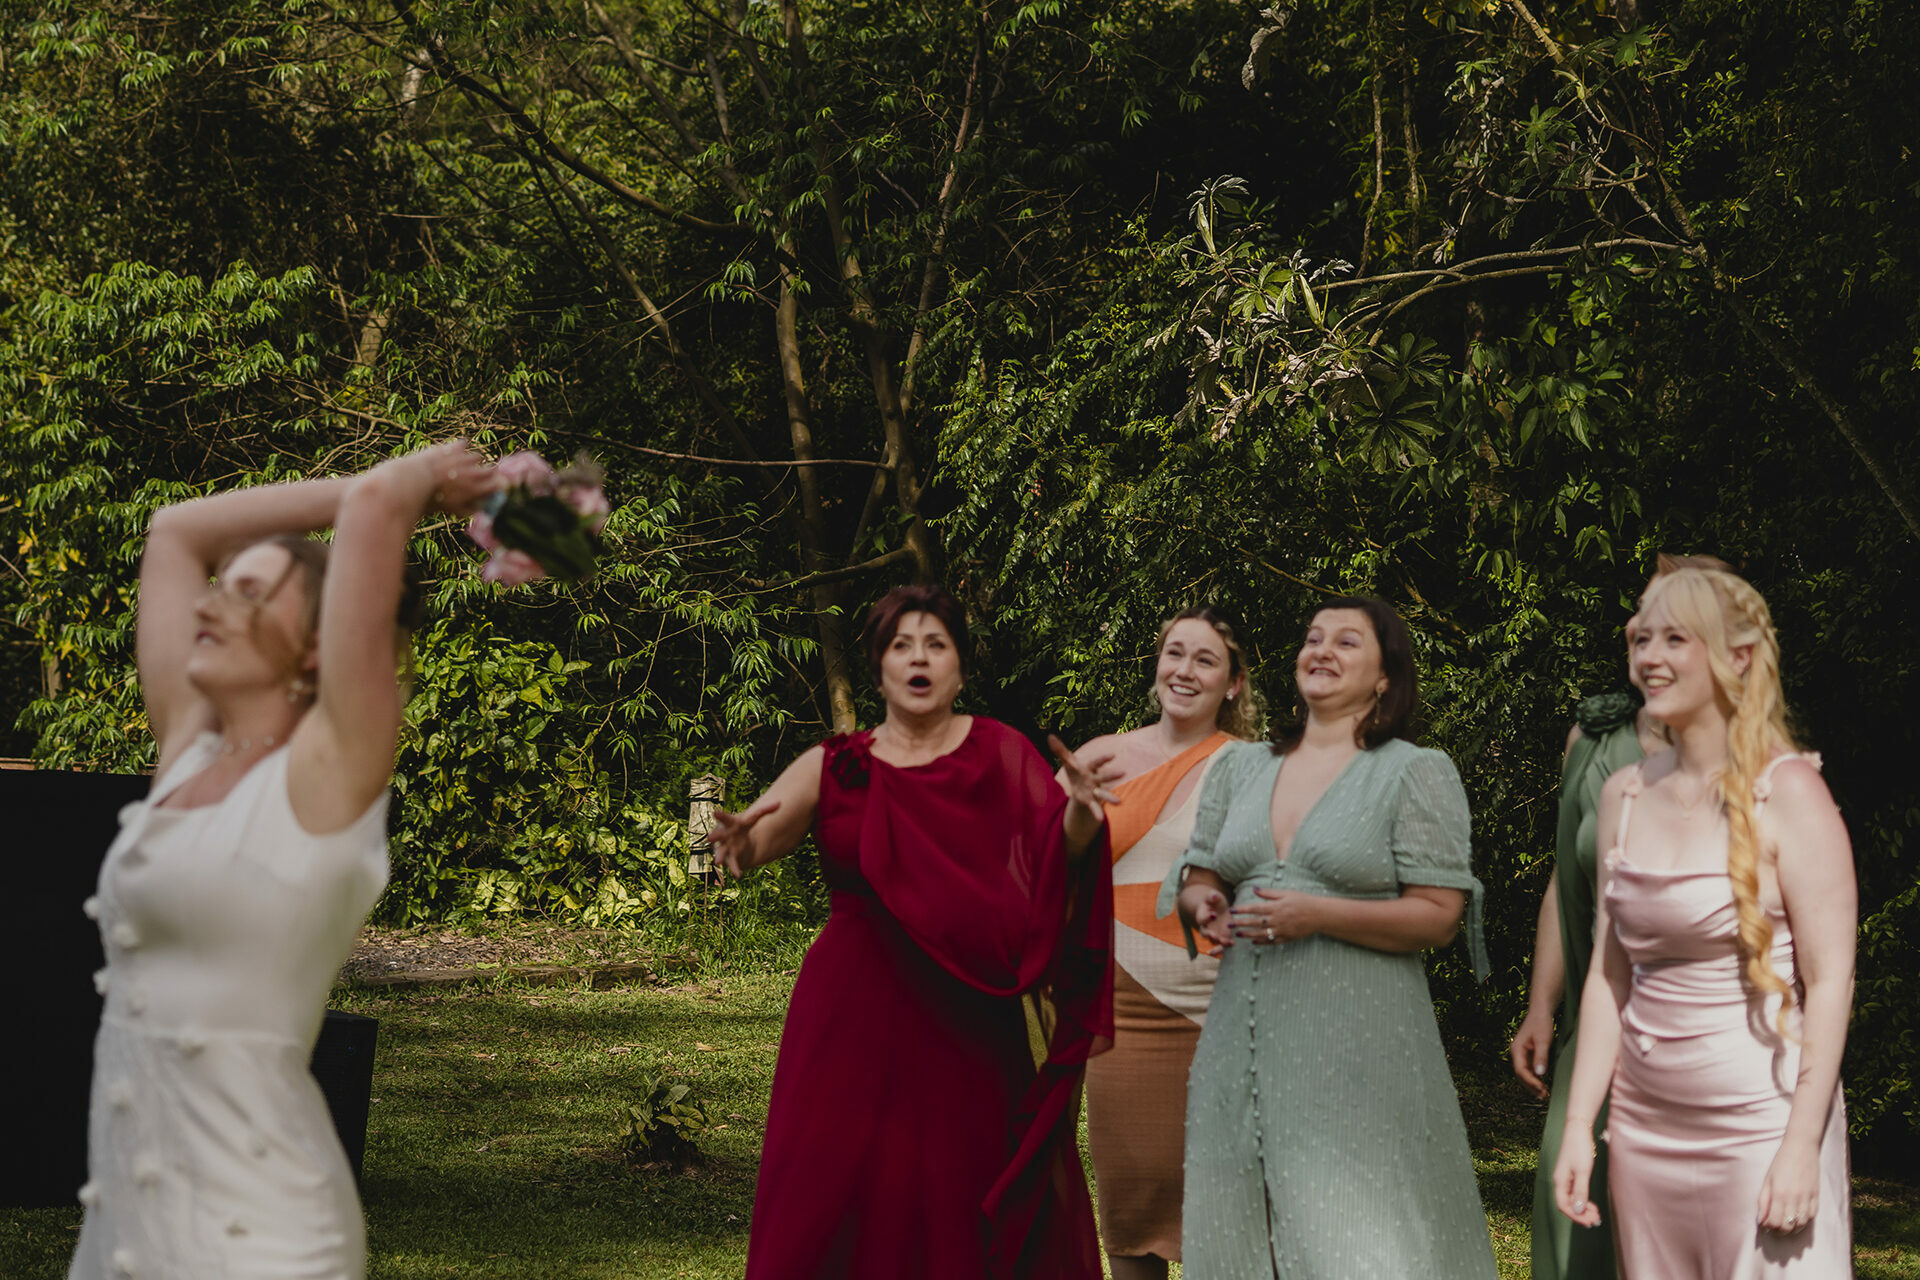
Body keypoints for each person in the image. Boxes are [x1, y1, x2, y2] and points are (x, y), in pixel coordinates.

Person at [69, 440, 499, 1280]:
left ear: (315, 648)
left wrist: (419, 482)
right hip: (126, 1233)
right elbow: (177, 530)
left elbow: (376, 509)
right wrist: (362, 488)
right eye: (221, 587)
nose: (211, 604)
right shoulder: (188, 754)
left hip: (261, 1238)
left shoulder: (329, 774)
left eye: (250, 593)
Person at [712, 584, 1121, 1280]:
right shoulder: (835, 762)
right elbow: (755, 841)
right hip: (849, 1018)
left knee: (958, 1187)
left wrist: (1082, 812)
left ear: (960, 667)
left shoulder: (1001, 752)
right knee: (837, 1194)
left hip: (967, 1018)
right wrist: (737, 841)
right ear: (879, 671)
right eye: (901, 646)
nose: (919, 658)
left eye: (937, 644)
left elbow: (1058, 854)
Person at [1158, 596, 1497, 1279]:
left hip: (1356, 1038)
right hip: (1241, 1037)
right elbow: (1200, 873)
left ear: (1385, 677)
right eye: (1314, 637)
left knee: (1355, 1234)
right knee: (1240, 1229)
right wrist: (1204, 904)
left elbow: (1438, 915)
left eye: (1346, 642)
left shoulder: (1412, 771)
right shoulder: (1241, 768)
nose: (1322, 650)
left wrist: (1318, 916)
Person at [1553, 568, 1855, 1276]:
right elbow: (1607, 977)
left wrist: (1801, 1143)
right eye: (1642, 639)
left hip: (1763, 1125)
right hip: (1644, 1132)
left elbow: (1831, 980)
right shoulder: (1625, 795)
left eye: (1675, 640)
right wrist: (1579, 1127)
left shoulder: (1792, 793)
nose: (1649, 658)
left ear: (1738, 656)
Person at [1511, 552, 1728, 1280]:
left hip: (1704, 1046)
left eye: (1670, 619)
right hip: (1598, 1026)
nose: (1644, 629)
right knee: (1576, 1234)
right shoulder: (1593, 744)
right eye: (1643, 615)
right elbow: (1563, 880)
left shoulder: (1760, 765)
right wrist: (1541, 1006)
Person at [1073, 605, 1255, 1280]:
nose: (1184, 670)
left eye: (1205, 660)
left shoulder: (1255, 768)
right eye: (1174, 653)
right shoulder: (1102, 756)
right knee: (1132, 1217)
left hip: (1228, 1018)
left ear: (1233, 683)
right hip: (1120, 1019)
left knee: (1232, 1227)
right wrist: (1074, 810)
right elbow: (1040, 867)